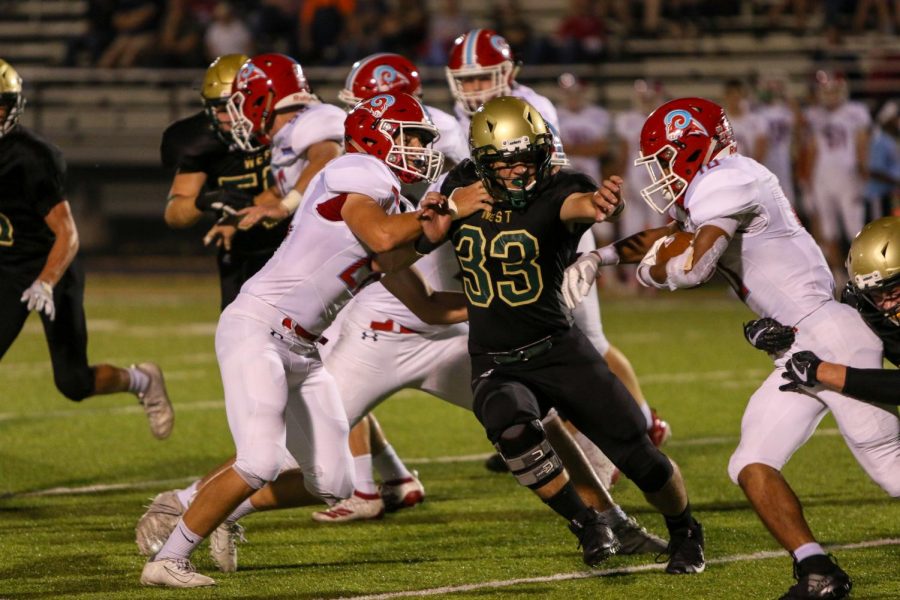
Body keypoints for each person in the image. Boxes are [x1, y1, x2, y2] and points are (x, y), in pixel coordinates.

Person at [138, 66, 478, 586]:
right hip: (258, 327)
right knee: (258, 460)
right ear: (376, 136)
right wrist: (449, 209)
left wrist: (493, 303)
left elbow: (428, 305)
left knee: (335, 482)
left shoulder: (394, 199)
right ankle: (168, 557)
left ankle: (222, 511)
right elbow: (384, 237)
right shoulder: (358, 171)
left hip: (301, 348)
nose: (419, 148)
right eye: (409, 137)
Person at [563, 97, 900, 599]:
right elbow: (674, 236)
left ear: (690, 150)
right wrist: (604, 256)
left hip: (832, 338)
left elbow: (692, 265)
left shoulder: (730, 178)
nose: (658, 173)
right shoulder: (713, 185)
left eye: (662, 160)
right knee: (750, 463)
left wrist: (656, 271)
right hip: (794, 345)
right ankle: (818, 572)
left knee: (892, 469)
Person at [420, 96, 705, 574]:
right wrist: (444, 206)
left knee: (642, 460)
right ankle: (588, 524)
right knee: (511, 429)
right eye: (503, 162)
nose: (516, 172)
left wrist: (600, 205)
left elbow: (583, 204)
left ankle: (685, 530)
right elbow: (420, 238)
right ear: (481, 162)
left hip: (558, 348)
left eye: (525, 159)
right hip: (494, 356)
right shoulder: (461, 185)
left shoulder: (560, 185)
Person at [446, 30, 670, 478]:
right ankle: (556, 429)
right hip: (510, 236)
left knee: (583, 337)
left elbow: (552, 183)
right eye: (465, 80)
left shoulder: (533, 108)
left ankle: (639, 425)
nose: (472, 90)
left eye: (481, 79)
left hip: (551, 231)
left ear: (507, 74)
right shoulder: (462, 113)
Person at [0, 58, 174, 439]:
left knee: (73, 382)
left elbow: (68, 234)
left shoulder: (30, 157)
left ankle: (141, 380)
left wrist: (45, 282)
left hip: (51, 266)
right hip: (5, 266)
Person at [161, 53, 295, 311]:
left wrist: (247, 209)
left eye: (233, 106)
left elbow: (299, 179)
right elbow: (174, 213)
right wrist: (203, 201)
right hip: (242, 253)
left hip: (297, 243)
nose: (226, 117)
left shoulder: (288, 128)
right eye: (218, 108)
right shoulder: (204, 142)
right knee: (238, 342)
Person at [744, 216, 900, 404]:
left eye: (893, 292)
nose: (887, 306)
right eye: (876, 295)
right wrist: (778, 335)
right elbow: (835, 339)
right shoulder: (864, 303)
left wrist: (824, 371)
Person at [803, 70, 872, 276]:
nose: (830, 94)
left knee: (855, 230)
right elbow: (812, 148)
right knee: (828, 231)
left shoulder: (855, 111)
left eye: (834, 90)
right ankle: (839, 277)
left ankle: (862, 273)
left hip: (847, 176)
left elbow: (861, 143)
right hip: (822, 178)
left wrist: (862, 171)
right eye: (827, 90)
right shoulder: (815, 114)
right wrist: (807, 180)